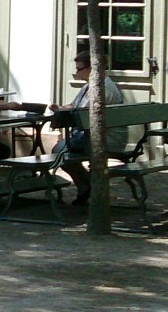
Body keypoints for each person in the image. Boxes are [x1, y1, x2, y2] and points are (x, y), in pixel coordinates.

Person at [52, 51, 127, 204]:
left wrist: (64, 115)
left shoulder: (102, 89)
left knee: (59, 151)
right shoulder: (89, 86)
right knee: (61, 150)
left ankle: (85, 186)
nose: (77, 73)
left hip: (105, 139)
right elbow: (74, 106)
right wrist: (60, 108)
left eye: (79, 69)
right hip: (92, 136)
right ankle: (86, 186)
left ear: (92, 68)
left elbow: (83, 116)